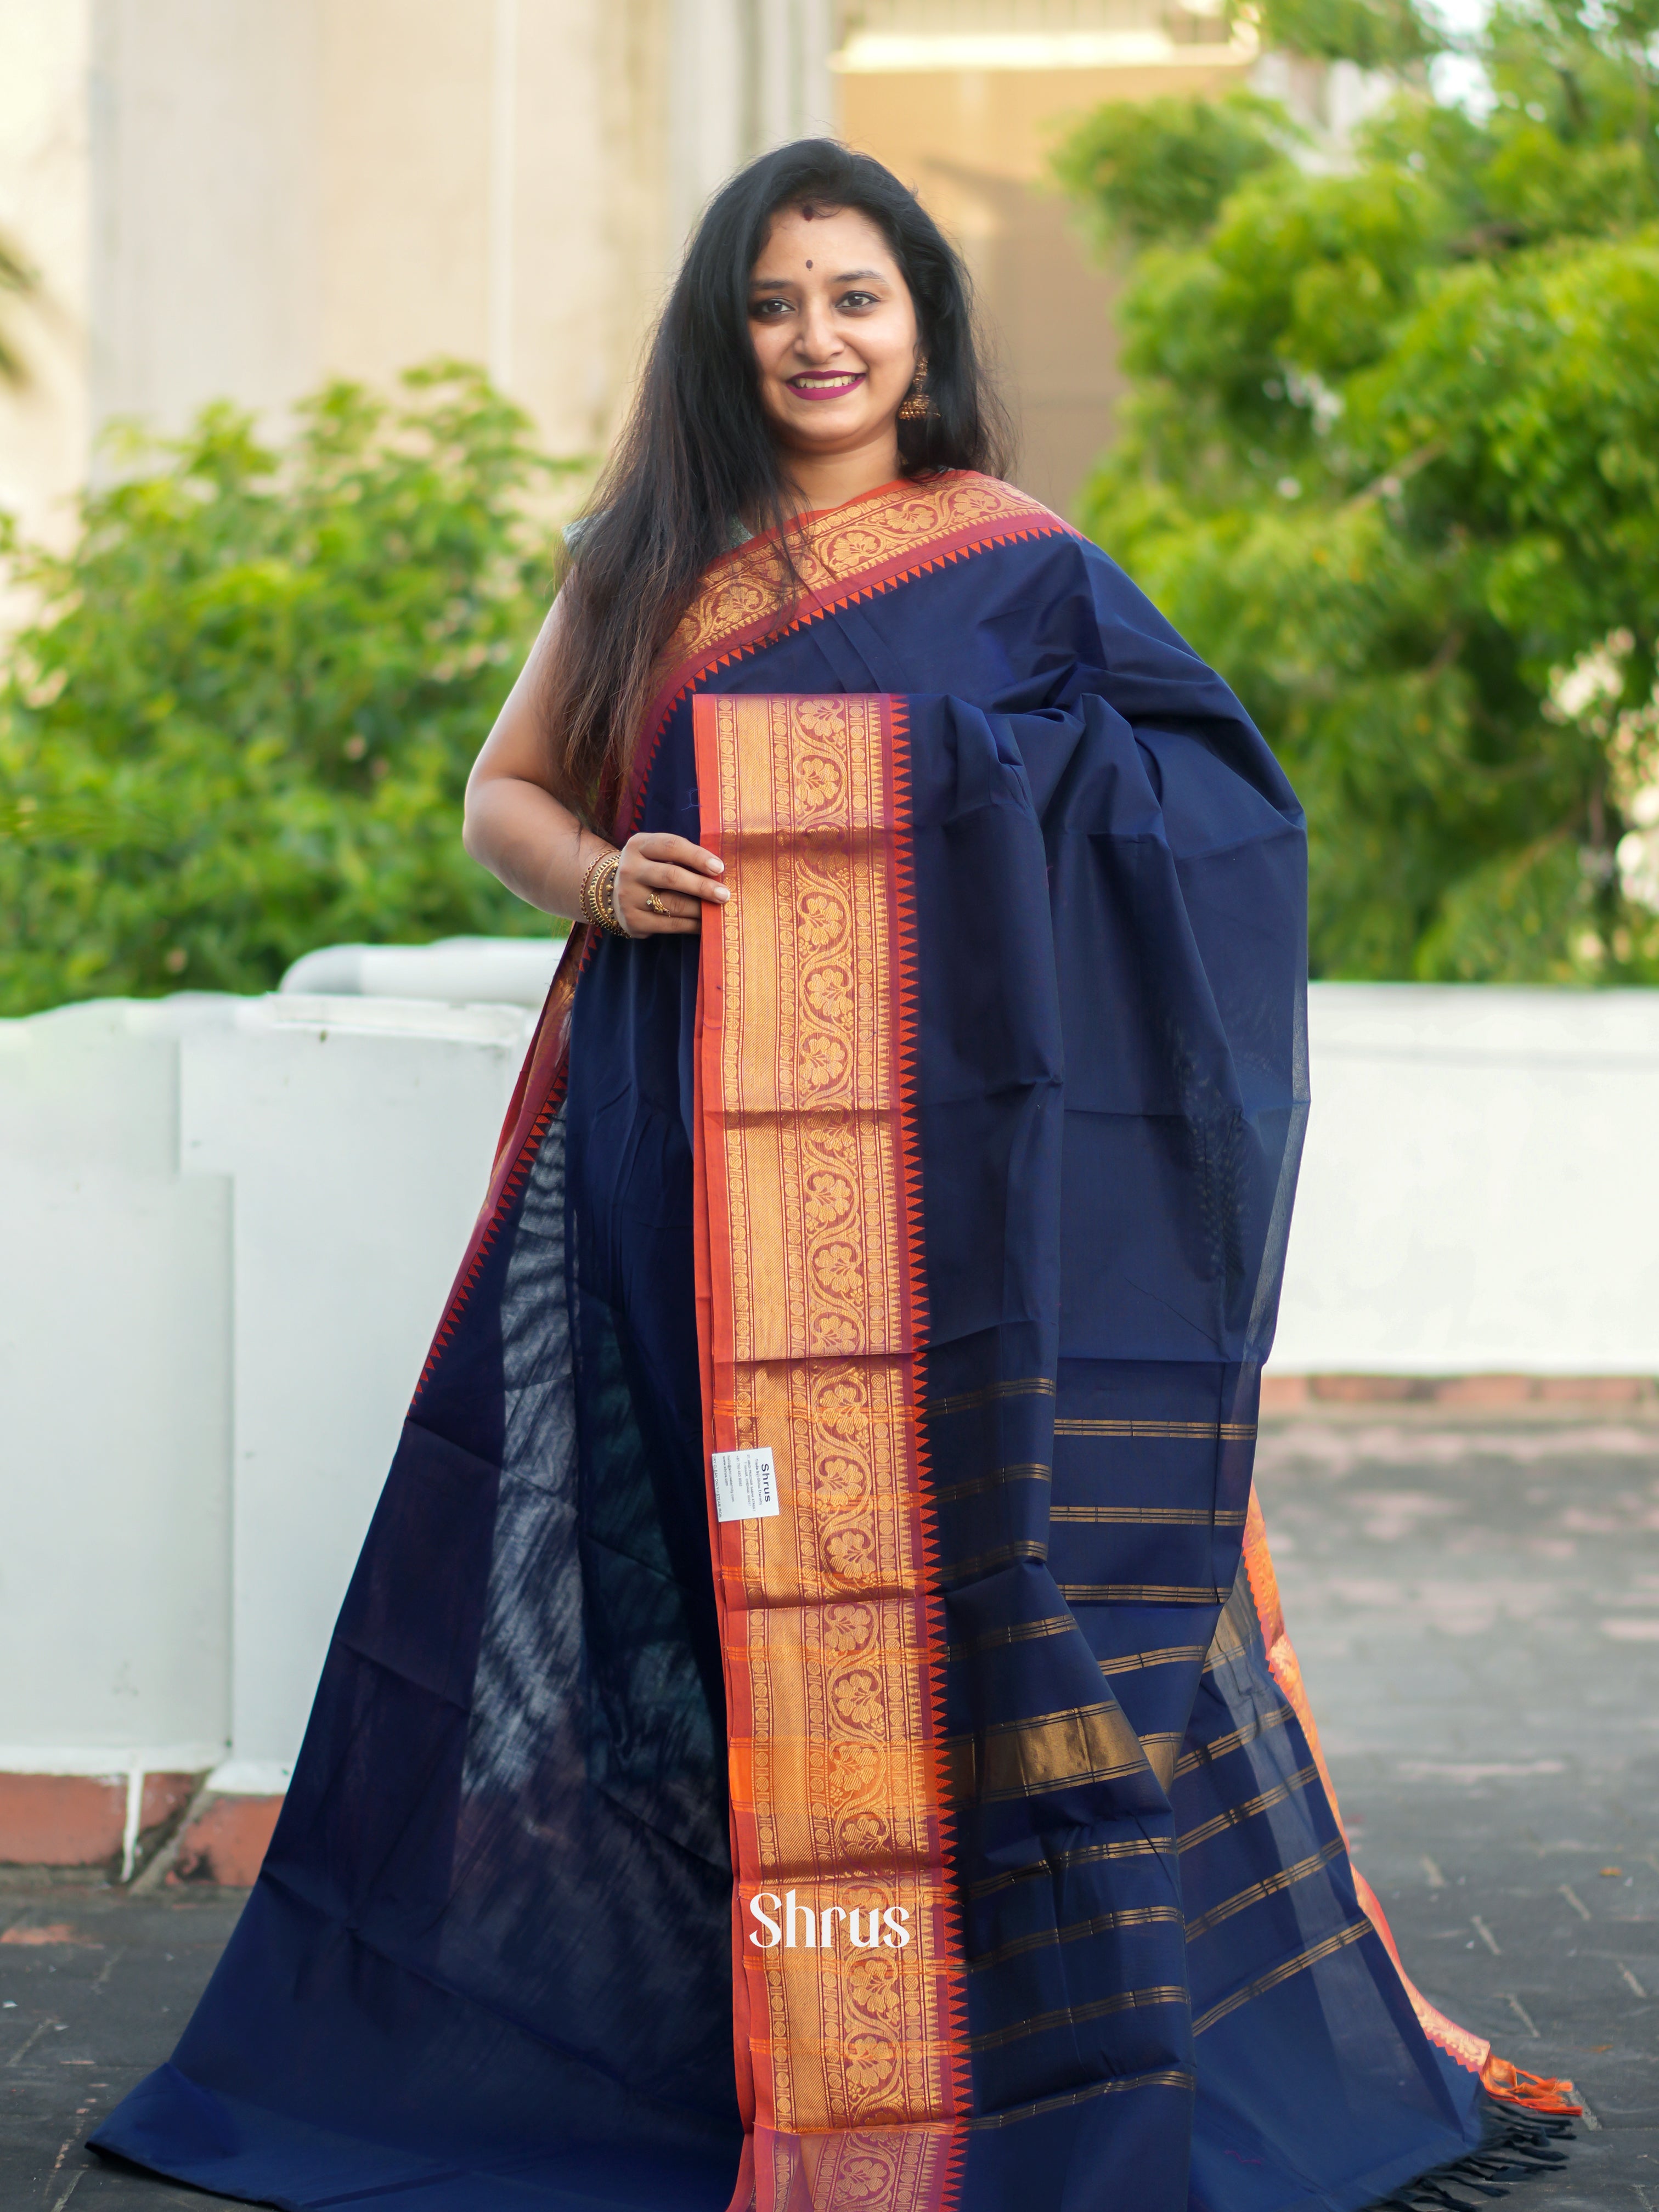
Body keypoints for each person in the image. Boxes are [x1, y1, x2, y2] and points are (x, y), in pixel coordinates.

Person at [94, 140, 1577, 2212]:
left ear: (921, 330)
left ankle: (1002, 2054)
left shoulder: (1020, 562)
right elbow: (500, 793)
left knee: (977, 1608)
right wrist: (610, 873)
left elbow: (1218, 813)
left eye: (857, 299)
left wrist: (955, 794)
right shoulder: (643, 559)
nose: (818, 339)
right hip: (686, 1162)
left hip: (966, 1210)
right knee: (726, 1601)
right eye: (778, 302)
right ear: (728, 331)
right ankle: (763, 2063)